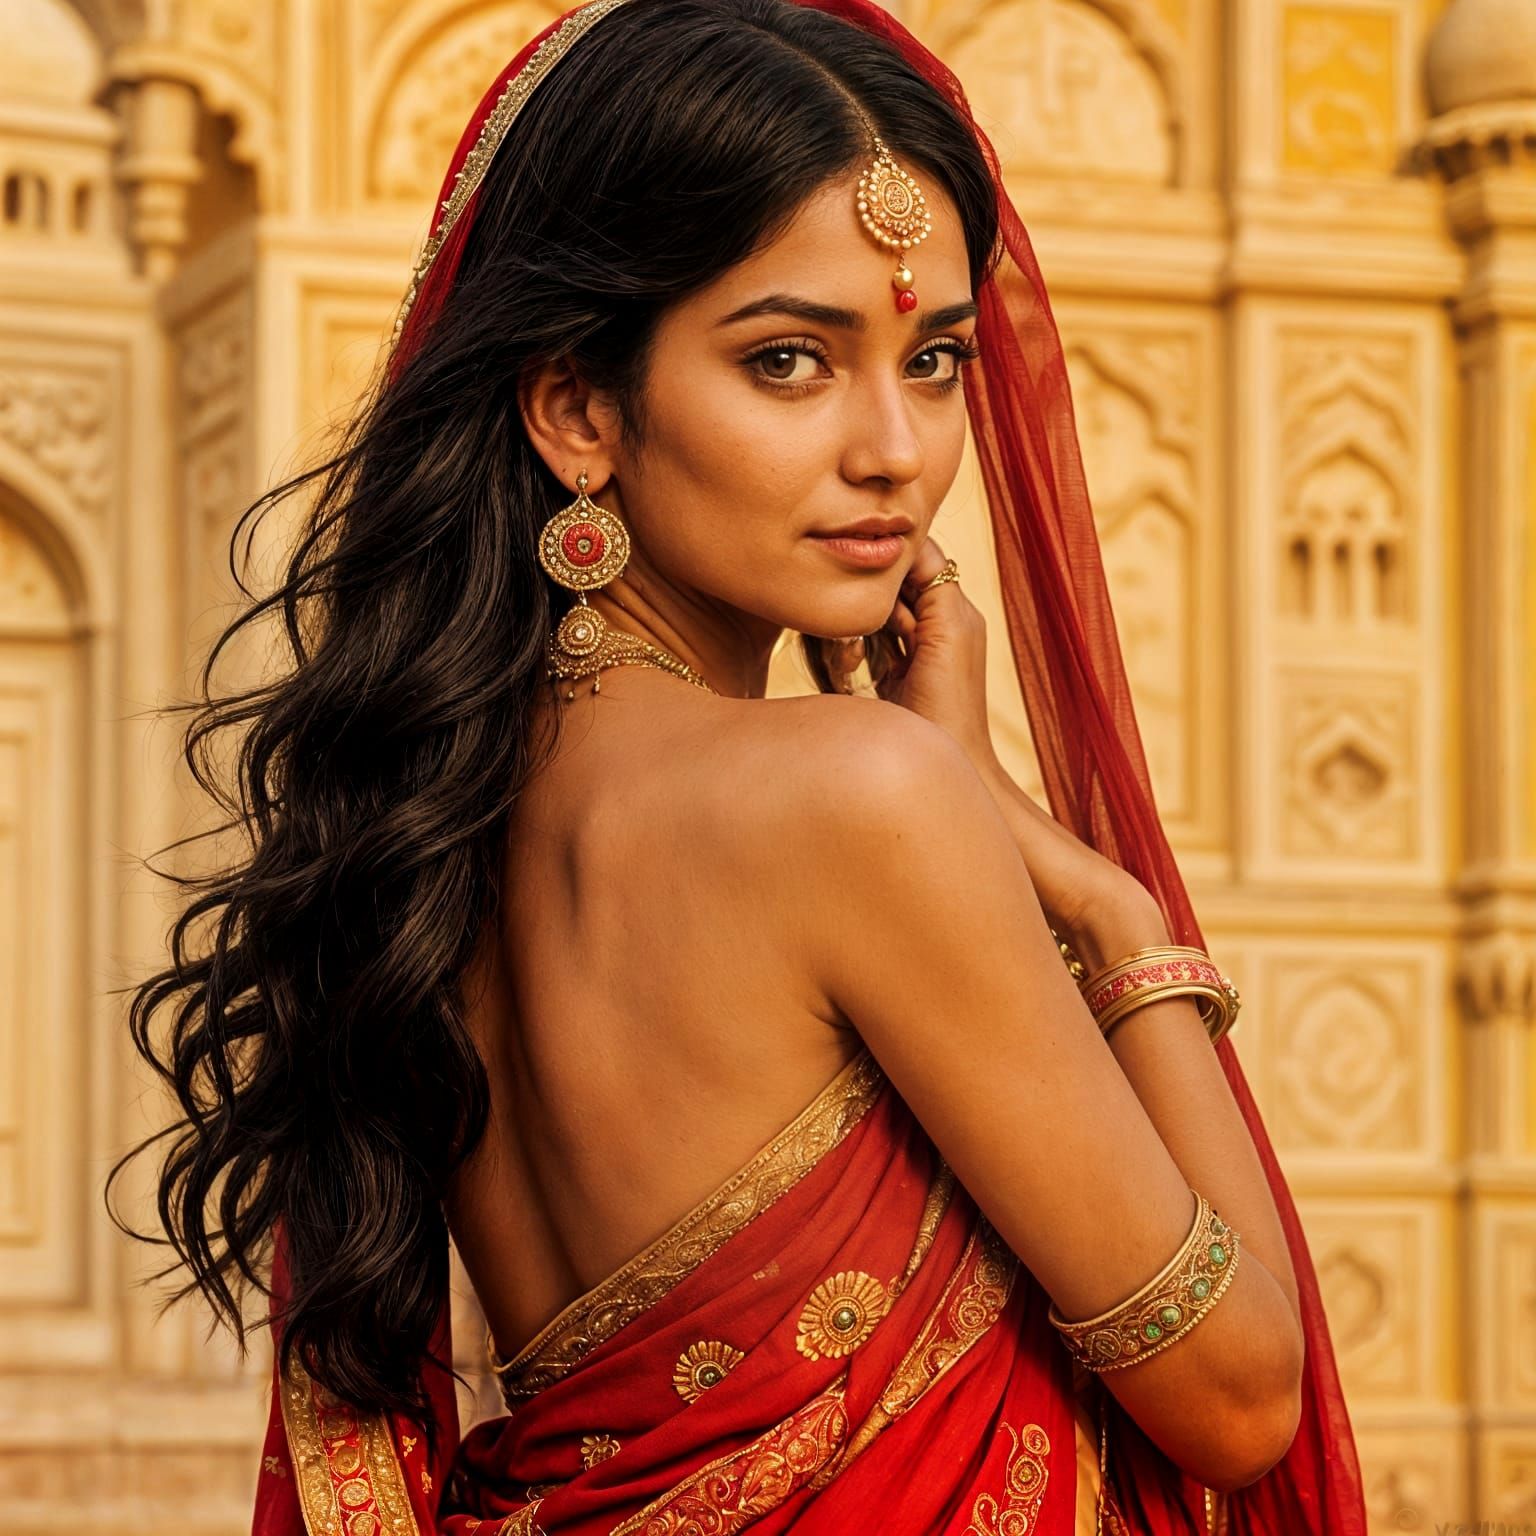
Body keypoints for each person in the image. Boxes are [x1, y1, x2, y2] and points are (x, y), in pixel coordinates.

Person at [111, 1, 1370, 1532]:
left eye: (935, 359)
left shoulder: (428, 821)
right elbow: (1239, 1397)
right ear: (578, 408)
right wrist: (1099, 902)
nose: (893, 448)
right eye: (789, 361)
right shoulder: (856, 796)